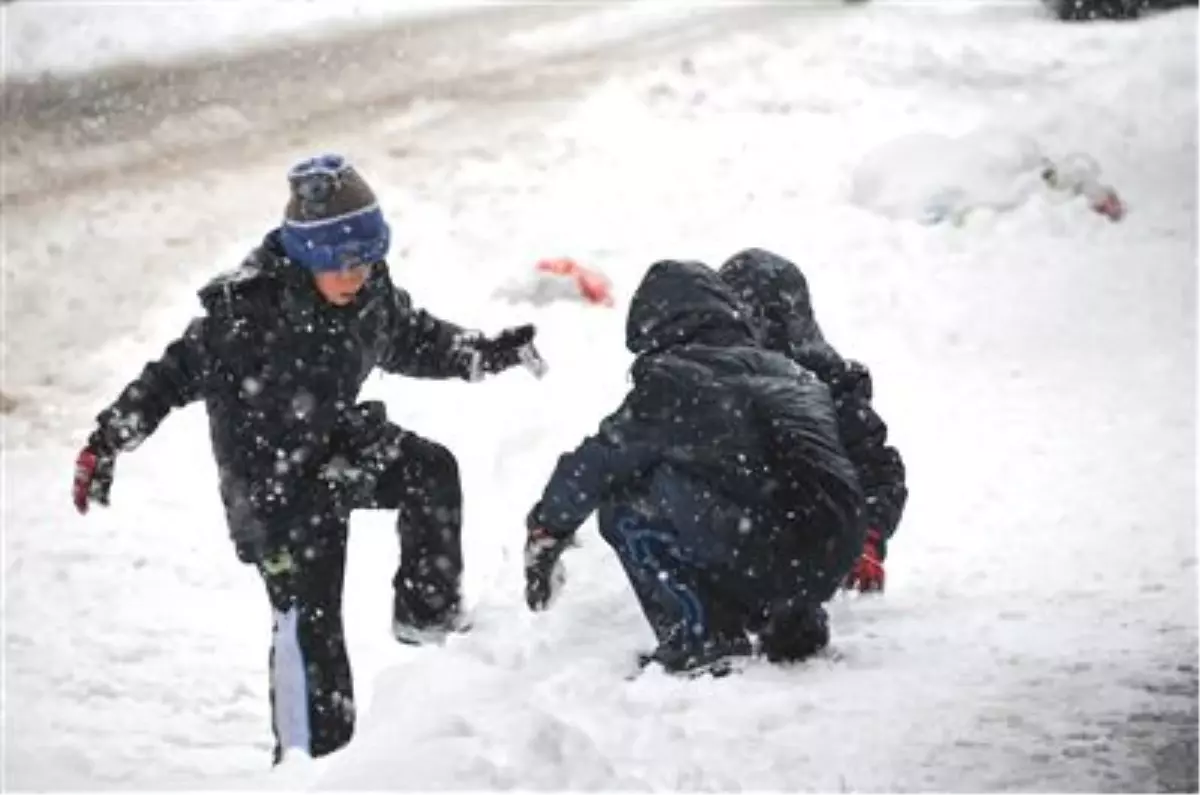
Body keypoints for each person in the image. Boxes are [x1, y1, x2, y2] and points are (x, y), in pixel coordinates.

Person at [70, 153, 542, 762]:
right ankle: (307, 763)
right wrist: (107, 440)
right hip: (275, 494)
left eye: (367, 258)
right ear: (306, 257)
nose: (355, 274)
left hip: (337, 454)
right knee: (309, 624)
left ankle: (428, 619)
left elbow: (416, 338)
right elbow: (169, 376)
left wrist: (483, 352)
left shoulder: (369, 296)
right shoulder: (246, 317)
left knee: (431, 470)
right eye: (339, 263)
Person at [522, 259, 866, 675]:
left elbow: (597, 463)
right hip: (833, 549)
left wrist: (547, 527)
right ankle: (793, 624)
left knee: (627, 496)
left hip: (766, 546)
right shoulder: (795, 373)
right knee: (762, 488)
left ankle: (702, 636)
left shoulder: (676, 379)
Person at [717, 247, 908, 593]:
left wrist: (867, 537)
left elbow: (876, 468)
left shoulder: (828, 386)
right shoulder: (706, 378)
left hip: (806, 547)